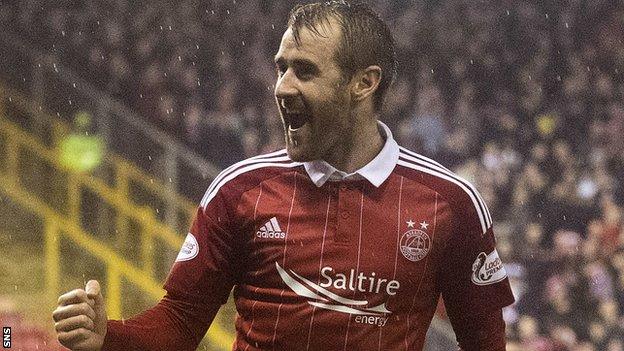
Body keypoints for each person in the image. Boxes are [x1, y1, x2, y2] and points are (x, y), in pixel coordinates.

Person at [52, 1, 514, 350]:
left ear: (364, 82)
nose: (282, 87)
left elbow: (486, 343)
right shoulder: (239, 190)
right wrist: (107, 336)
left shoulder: (449, 202)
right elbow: (178, 322)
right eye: (281, 68)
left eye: (304, 71)